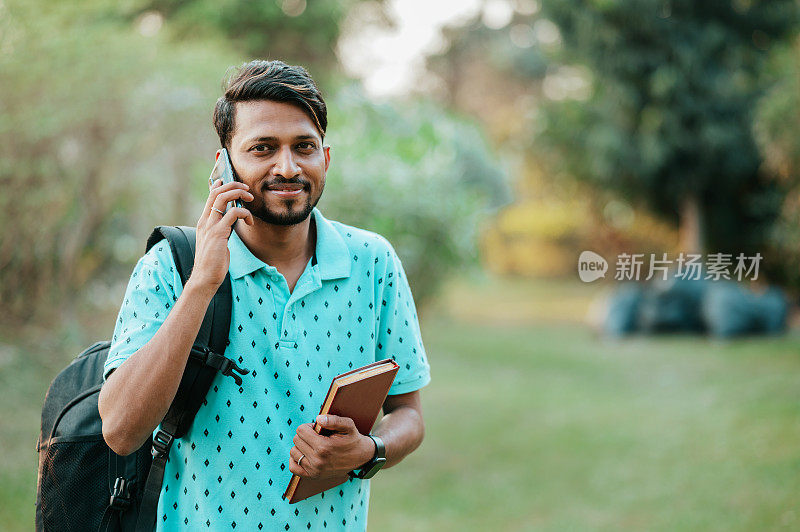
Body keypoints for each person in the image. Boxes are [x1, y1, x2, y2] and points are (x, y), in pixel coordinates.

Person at [98, 59, 431, 531]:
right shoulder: (171, 267)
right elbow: (120, 431)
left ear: (326, 158)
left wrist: (368, 450)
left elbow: (408, 414)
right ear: (224, 164)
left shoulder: (373, 263)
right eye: (263, 148)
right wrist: (202, 284)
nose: (288, 167)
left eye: (304, 147)